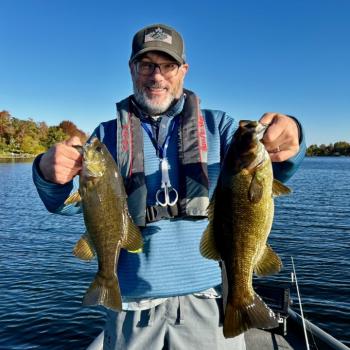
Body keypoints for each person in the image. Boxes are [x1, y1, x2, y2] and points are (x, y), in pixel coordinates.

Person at [33, 23, 306, 350]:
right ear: (132, 69)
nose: (157, 76)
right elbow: (71, 204)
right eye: (147, 65)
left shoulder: (219, 127)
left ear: (184, 70)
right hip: (130, 306)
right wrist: (48, 174)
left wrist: (293, 136)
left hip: (207, 301)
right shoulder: (104, 137)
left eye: (168, 65)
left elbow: (271, 173)